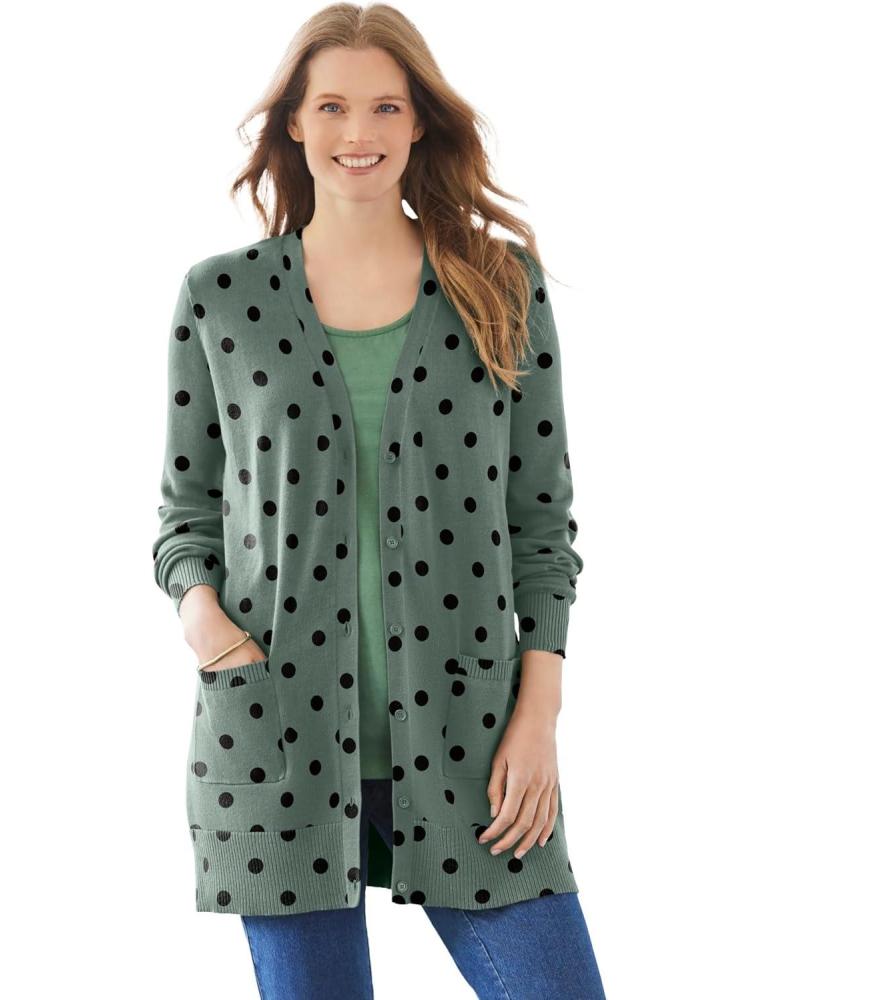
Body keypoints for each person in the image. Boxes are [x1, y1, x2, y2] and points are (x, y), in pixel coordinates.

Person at [151, 4, 606, 997]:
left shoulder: (498, 284)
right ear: (294, 123)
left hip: (474, 740)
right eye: (332, 106)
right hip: (275, 739)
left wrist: (539, 715)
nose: (358, 131)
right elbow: (185, 515)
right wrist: (209, 632)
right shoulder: (222, 299)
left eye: (386, 106)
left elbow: (542, 524)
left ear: (420, 121)